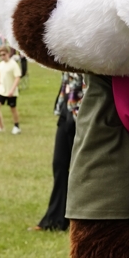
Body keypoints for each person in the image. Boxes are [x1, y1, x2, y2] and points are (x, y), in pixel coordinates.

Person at [34, 72, 84, 230]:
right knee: (59, 164)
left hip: (85, 115)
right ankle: (55, 219)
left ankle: (80, 220)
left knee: (82, 170)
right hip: (67, 109)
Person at [0, 46, 23, 133]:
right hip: (1, 90)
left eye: (4, 54)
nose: (2, 57)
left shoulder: (13, 64)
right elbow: (0, 78)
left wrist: (12, 89)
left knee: (12, 108)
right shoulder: (0, 65)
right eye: (0, 55)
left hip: (11, 91)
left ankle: (16, 126)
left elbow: (17, 77)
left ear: (8, 54)